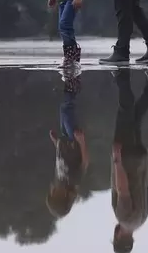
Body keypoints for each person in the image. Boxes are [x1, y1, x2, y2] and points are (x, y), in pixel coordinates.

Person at [111, 69, 148, 253]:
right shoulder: (123, 218)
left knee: (135, 119)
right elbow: (123, 190)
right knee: (125, 113)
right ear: (117, 238)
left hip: (140, 160)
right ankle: (121, 76)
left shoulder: (141, 220)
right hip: (127, 160)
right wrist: (117, 160)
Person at [46, 66, 88, 220]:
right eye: (52, 195)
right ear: (61, 196)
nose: (50, 191)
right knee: (67, 108)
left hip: (63, 140)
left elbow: (60, 161)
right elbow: (84, 163)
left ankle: (71, 81)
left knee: (63, 109)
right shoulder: (73, 182)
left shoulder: (59, 180)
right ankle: (73, 80)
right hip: (73, 140)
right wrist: (82, 142)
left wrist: (56, 142)